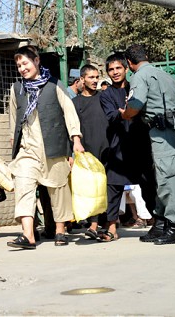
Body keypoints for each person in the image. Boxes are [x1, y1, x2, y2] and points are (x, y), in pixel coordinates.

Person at [7, 45, 84, 249]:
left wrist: (75, 140)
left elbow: (69, 112)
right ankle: (28, 235)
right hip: (27, 150)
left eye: (25, 63)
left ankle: (60, 230)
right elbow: (13, 119)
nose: (22, 68)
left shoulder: (54, 85)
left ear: (36, 61)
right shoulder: (17, 89)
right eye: (19, 65)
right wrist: (13, 144)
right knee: (23, 187)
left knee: (58, 190)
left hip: (53, 147)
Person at [119, 44, 175, 245]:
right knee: (163, 178)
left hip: (162, 130)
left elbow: (136, 104)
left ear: (129, 63)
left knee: (167, 180)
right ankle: (160, 224)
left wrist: (126, 114)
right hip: (169, 128)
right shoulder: (164, 74)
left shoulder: (139, 75)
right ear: (146, 56)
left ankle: (174, 226)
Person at [100, 53, 154, 241]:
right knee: (114, 186)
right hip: (118, 146)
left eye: (118, 68)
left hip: (140, 144)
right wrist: (125, 114)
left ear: (126, 68)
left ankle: (158, 223)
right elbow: (111, 115)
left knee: (148, 186)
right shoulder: (106, 95)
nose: (115, 72)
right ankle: (112, 227)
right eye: (111, 70)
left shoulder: (136, 87)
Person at [71, 64, 109, 240]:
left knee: (107, 187)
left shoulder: (104, 98)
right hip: (86, 154)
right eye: (91, 77)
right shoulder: (75, 103)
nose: (95, 81)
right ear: (82, 79)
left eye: (96, 77)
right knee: (91, 189)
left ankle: (104, 225)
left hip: (107, 149)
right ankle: (93, 224)